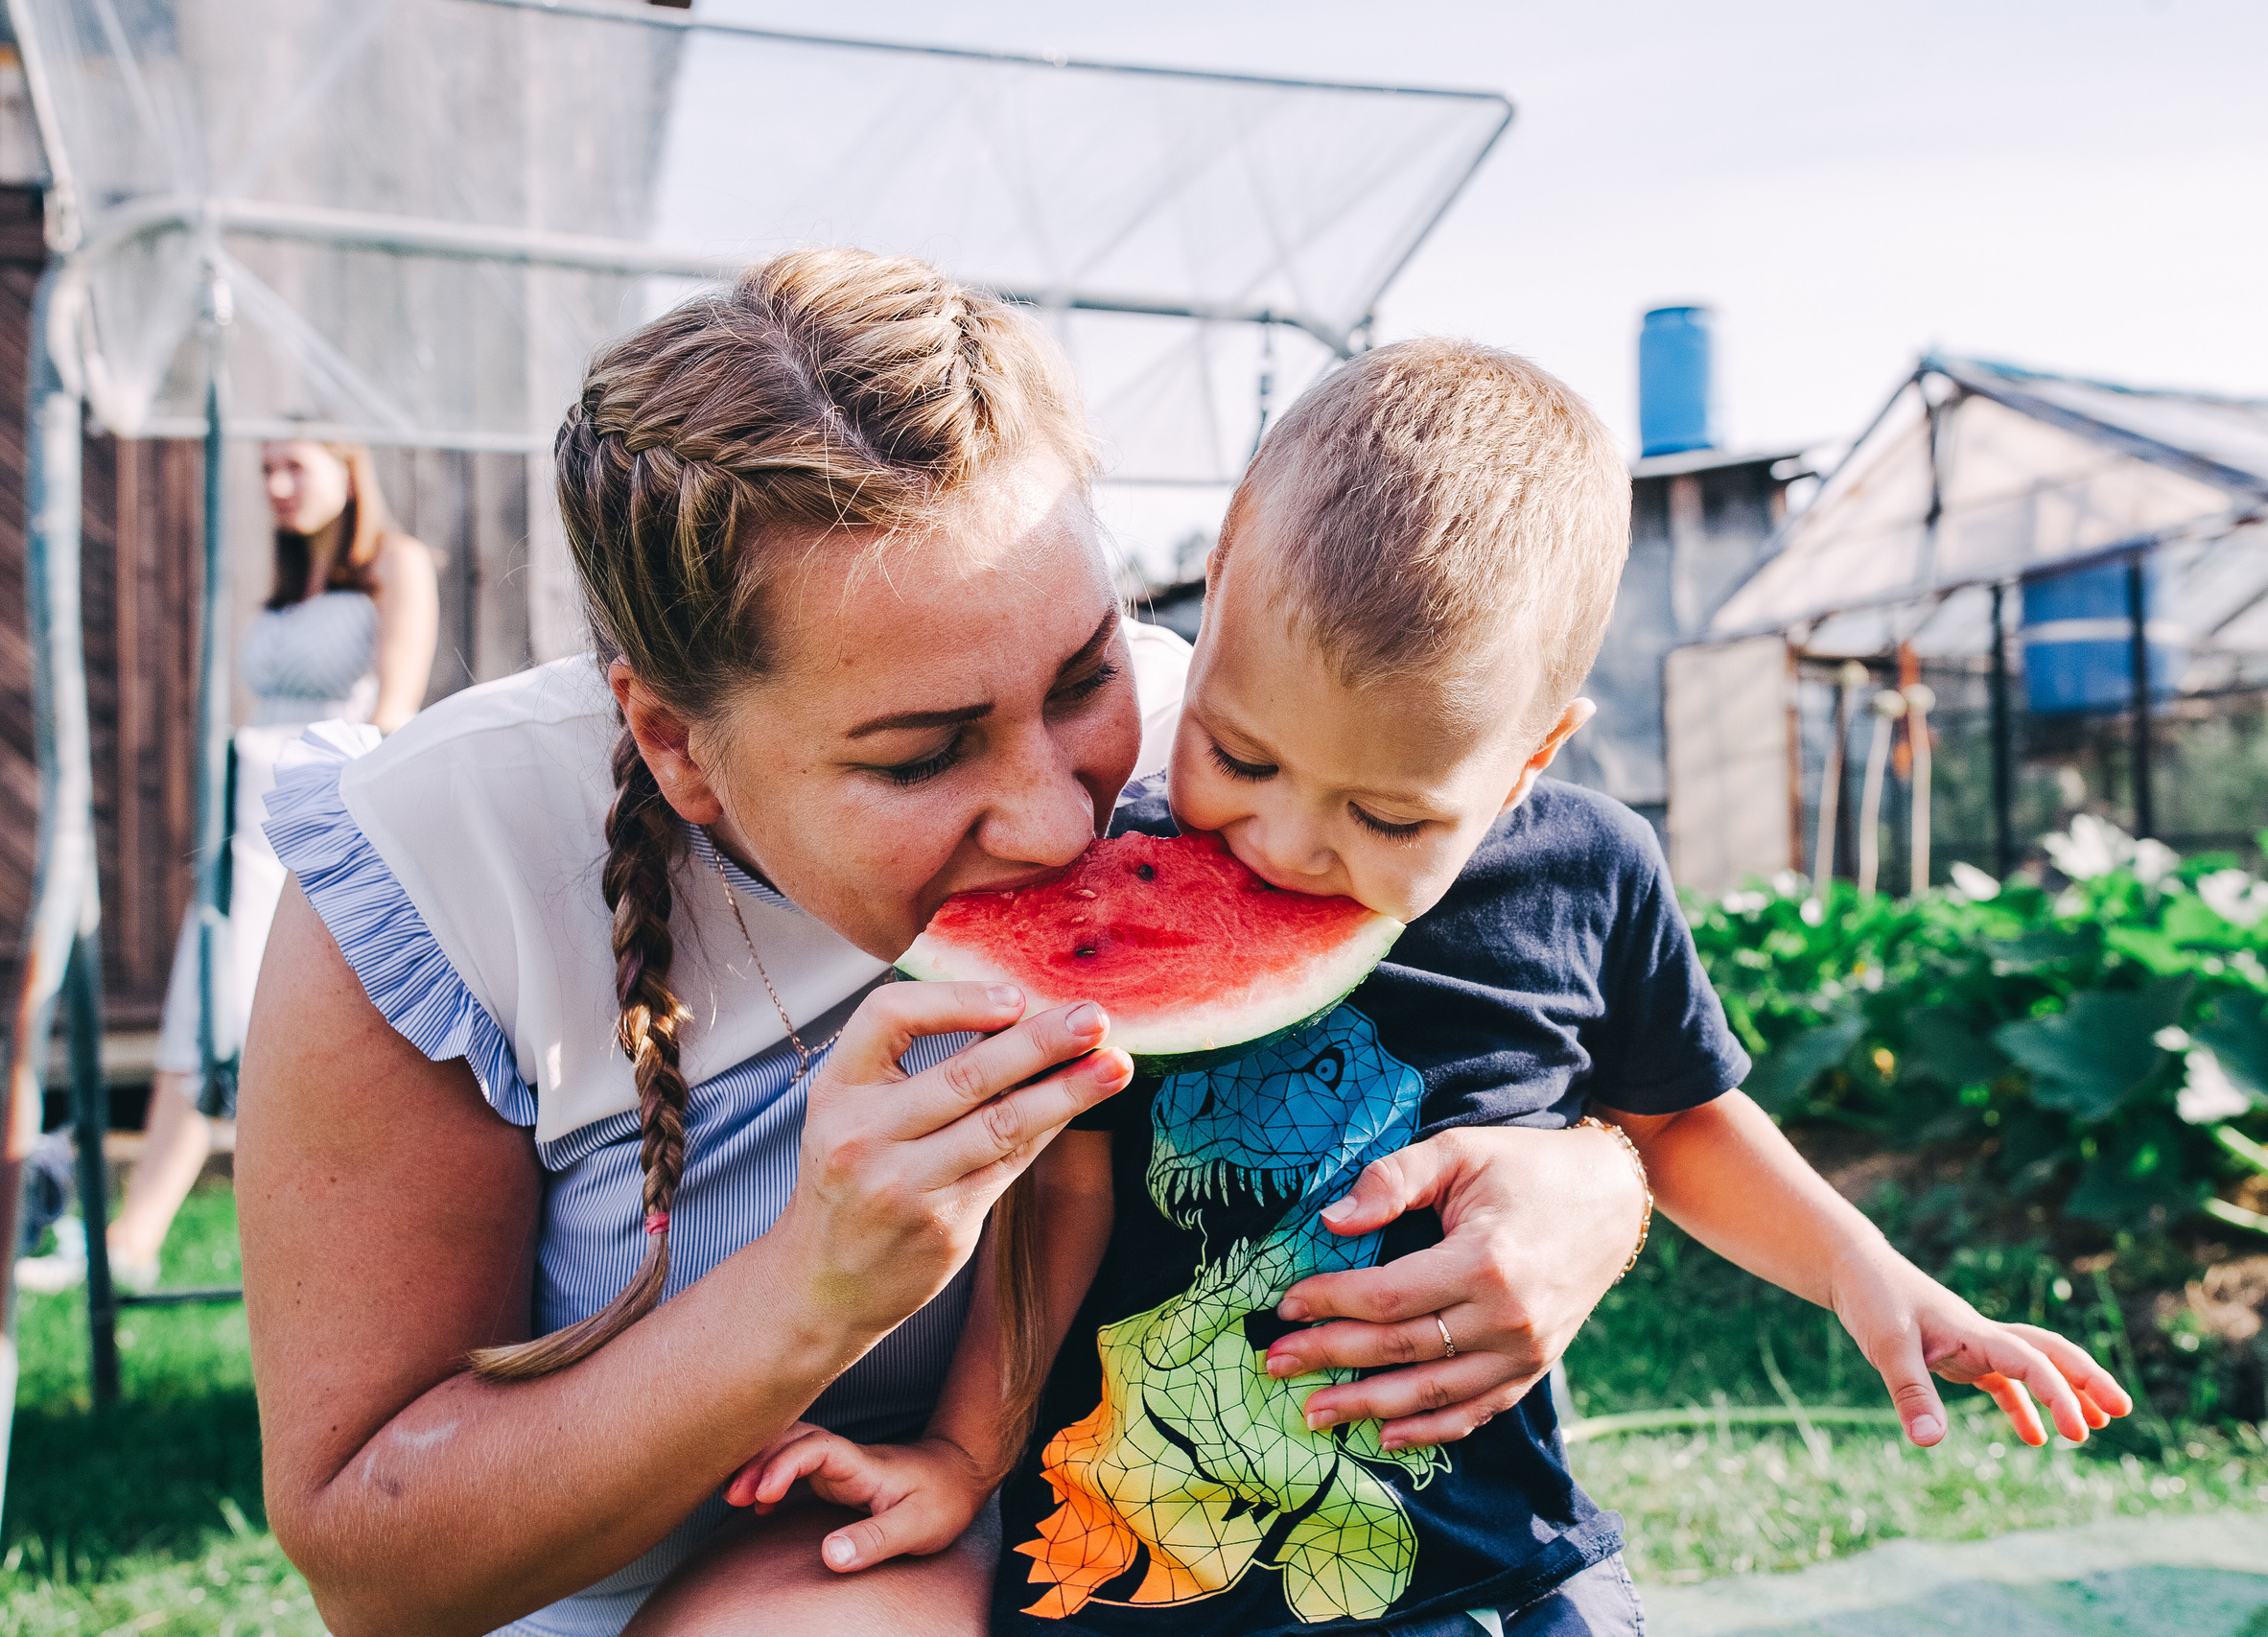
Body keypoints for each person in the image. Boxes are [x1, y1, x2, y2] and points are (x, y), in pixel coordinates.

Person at [238, 253, 1656, 1637]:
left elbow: (1507, 990)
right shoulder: (440, 868)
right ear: (676, 741)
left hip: (1071, 1531)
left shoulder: (1243, 749)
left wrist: (1594, 1187)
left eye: (1086, 672)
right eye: (923, 754)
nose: (1054, 823)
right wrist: (813, 1285)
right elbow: (378, 1576)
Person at [720, 341, 2135, 1637]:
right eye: (1241, 753)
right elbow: (1060, 1195)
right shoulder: (1108, 859)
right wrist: (966, 1453)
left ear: (1530, 757)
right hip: (1138, 1587)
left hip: (1489, 1580)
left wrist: (1863, 1269)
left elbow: (1684, 1123)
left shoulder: (1591, 870)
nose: (1282, 843)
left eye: (1389, 817)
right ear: (1213, 596)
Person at [14, 439, 436, 1296]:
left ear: (347, 466)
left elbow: (395, 713)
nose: (277, 487)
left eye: (296, 467)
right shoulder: (286, 586)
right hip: (244, 816)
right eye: (266, 472)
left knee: (260, 1022)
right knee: (198, 1012)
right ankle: (131, 1240)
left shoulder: (398, 564)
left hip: (324, 816)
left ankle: (315, 1240)